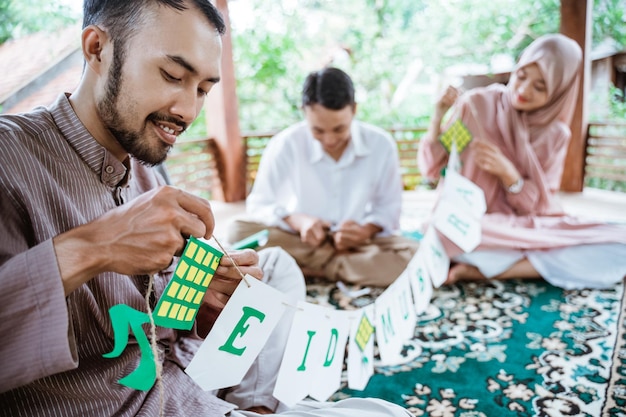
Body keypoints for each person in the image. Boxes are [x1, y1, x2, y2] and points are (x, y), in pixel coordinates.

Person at [0, 1, 412, 416]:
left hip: (186, 373)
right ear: (97, 48)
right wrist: (93, 247)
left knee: (273, 267)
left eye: (202, 89)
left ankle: (257, 408)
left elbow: (161, 314)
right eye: (172, 76)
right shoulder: (8, 156)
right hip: (129, 403)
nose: (188, 111)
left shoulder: (143, 167)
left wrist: (204, 301)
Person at [418, 33, 626, 290]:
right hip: (475, 224)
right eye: (522, 76)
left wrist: (509, 175)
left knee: (620, 245)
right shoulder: (477, 108)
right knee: (440, 229)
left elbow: (538, 207)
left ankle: (483, 271)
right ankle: (512, 263)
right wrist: (437, 116)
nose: (524, 90)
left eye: (540, 87)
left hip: (520, 226)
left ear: (559, 91)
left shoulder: (555, 135)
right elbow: (435, 167)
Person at [227, 67, 419, 287]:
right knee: (238, 232)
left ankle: (308, 268)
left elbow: (388, 210)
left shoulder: (381, 145)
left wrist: (364, 231)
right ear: (304, 112)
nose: (329, 140)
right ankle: (340, 268)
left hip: (357, 245)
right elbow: (260, 203)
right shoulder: (286, 144)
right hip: (301, 240)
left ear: (354, 110)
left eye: (339, 129)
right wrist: (299, 221)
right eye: (318, 131)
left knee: (415, 256)